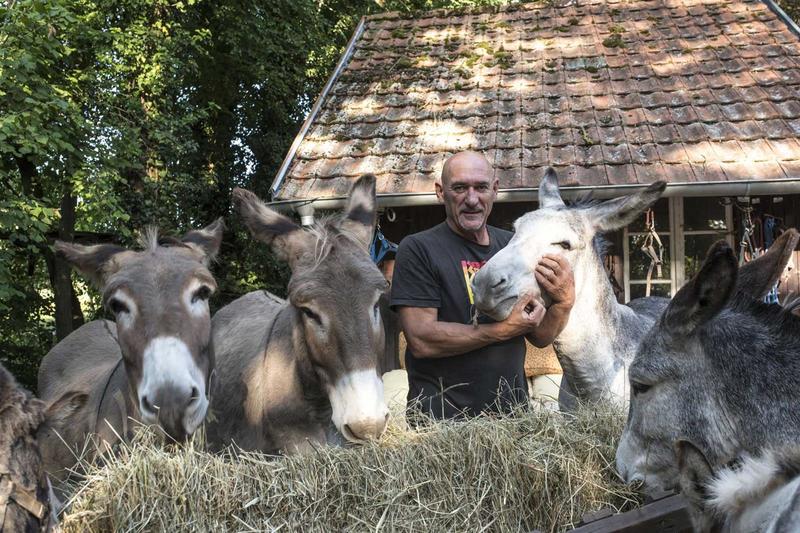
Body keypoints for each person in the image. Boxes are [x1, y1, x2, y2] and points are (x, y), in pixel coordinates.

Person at [390, 151, 575, 419]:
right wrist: (502, 330)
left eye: (481, 187)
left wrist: (564, 301)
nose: (472, 199)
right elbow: (422, 339)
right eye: (460, 188)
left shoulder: (514, 247)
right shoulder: (418, 249)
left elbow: (540, 335)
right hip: (440, 423)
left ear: (495, 190)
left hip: (512, 421)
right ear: (441, 192)